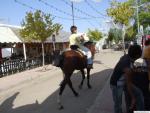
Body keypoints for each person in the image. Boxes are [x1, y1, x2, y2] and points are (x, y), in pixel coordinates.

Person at [110, 44, 143, 113]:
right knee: (118, 104)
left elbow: (126, 68)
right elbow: (128, 84)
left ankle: (140, 111)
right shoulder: (127, 66)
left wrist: (134, 70)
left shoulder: (126, 56)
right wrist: (133, 98)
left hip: (123, 81)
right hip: (116, 85)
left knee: (139, 93)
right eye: (140, 53)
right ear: (137, 55)